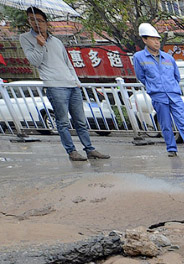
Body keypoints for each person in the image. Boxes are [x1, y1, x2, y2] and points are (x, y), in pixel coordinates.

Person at [19, 7, 110, 162]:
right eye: (32, 20)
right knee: (63, 122)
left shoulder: (56, 41)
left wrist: (76, 82)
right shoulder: (26, 38)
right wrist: (39, 45)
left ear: (46, 22)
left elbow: (67, 63)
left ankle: (90, 149)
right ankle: (72, 151)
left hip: (71, 85)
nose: (36, 23)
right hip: (55, 86)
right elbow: (35, 61)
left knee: (80, 121)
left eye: (40, 20)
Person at [132, 23, 184, 158]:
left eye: (158, 39)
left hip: (173, 94)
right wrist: (154, 87)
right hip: (158, 95)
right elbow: (141, 77)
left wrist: (171, 87)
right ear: (144, 40)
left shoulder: (168, 57)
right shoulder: (139, 57)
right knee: (165, 124)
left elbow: (176, 76)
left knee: (183, 122)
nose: (156, 42)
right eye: (153, 39)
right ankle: (171, 148)